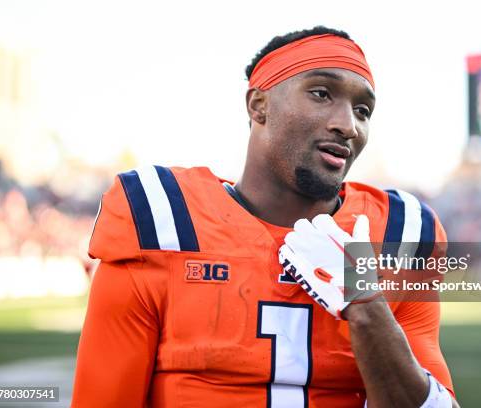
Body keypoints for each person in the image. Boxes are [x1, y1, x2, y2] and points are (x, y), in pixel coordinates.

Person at [71, 26, 458, 407]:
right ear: (259, 105)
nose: (348, 125)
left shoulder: (398, 233)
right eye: (322, 94)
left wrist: (366, 304)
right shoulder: (163, 220)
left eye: (363, 110)